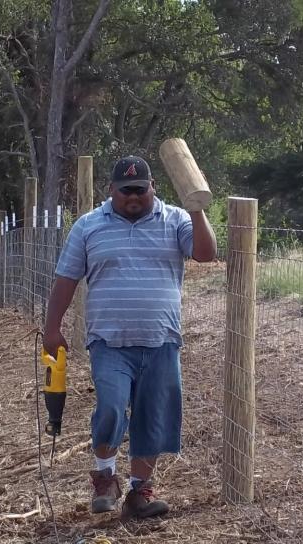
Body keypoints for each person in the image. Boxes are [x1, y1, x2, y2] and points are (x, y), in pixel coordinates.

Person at [42, 155, 217, 519]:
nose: (133, 197)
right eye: (126, 192)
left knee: (152, 418)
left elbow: (206, 253)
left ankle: (140, 493)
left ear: (153, 187)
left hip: (161, 340)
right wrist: (52, 327)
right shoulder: (89, 226)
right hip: (109, 342)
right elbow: (66, 278)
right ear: (111, 190)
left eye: (140, 190)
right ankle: (105, 478)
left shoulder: (175, 220)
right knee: (110, 406)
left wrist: (197, 208)